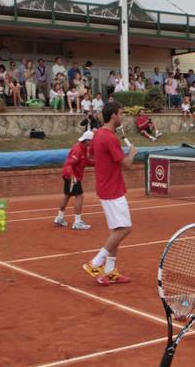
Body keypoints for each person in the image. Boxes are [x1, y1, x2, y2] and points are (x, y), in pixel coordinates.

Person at [83, 102, 138, 286]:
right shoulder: (109, 138)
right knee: (125, 229)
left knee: (116, 229)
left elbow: (92, 155)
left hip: (106, 187)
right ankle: (96, 262)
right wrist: (131, 153)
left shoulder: (98, 135)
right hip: (113, 190)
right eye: (121, 114)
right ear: (114, 116)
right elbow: (127, 164)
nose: (122, 117)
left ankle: (110, 271)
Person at [54, 130, 96, 230]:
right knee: (79, 196)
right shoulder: (78, 149)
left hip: (71, 175)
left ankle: (59, 218)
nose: (93, 143)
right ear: (87, 140)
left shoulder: (84, 148)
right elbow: (69, 164)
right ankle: (77, 222)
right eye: (92, 141)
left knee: (67, 195)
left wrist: (96, 163)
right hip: (72, 176)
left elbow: (85, 161)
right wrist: (73, 178)